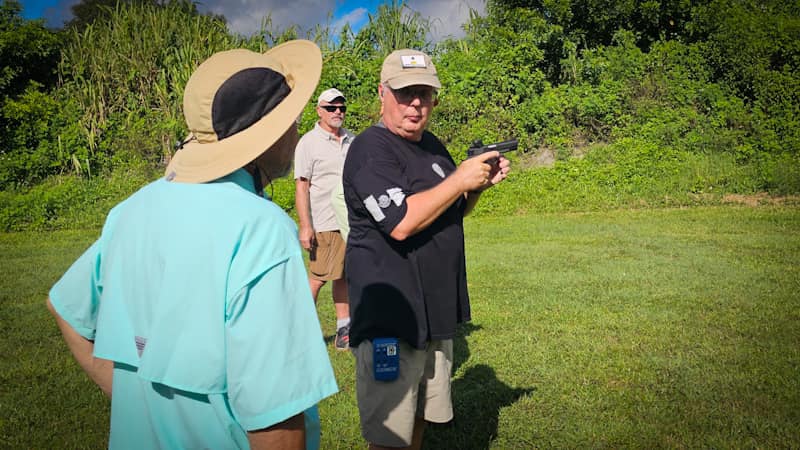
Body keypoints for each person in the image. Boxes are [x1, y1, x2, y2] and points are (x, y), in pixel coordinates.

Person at [46, 41, 338, 450]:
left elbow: (65, 307)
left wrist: (134, 404)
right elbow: (275, 415)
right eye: (290, 119)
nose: (295, 131)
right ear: (266, 134)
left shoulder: (130, 210)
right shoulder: (263, 230)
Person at [342, 49, 511, 449]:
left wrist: (475, 187)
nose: (416, 103)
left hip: (434, 313)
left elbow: (450, 208)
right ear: (381, 94)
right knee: (389, 434)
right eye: (405, 93)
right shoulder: (370, 150)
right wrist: (459, 180)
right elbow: (400, 223)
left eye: (425, 93)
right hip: (391, 318)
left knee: (419, 414)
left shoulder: (433, 146)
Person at [294, 87, 355, 350]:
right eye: (331, 108)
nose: (337, 112)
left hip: (351, 221)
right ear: (319, 110)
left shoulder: (352, 139)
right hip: (324, 221)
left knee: (344, 277)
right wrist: (306, 226)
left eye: (341, 107)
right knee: (318, 278)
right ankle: (298, 333)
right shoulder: (308, 142)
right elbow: (302, 186)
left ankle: (345, 331)